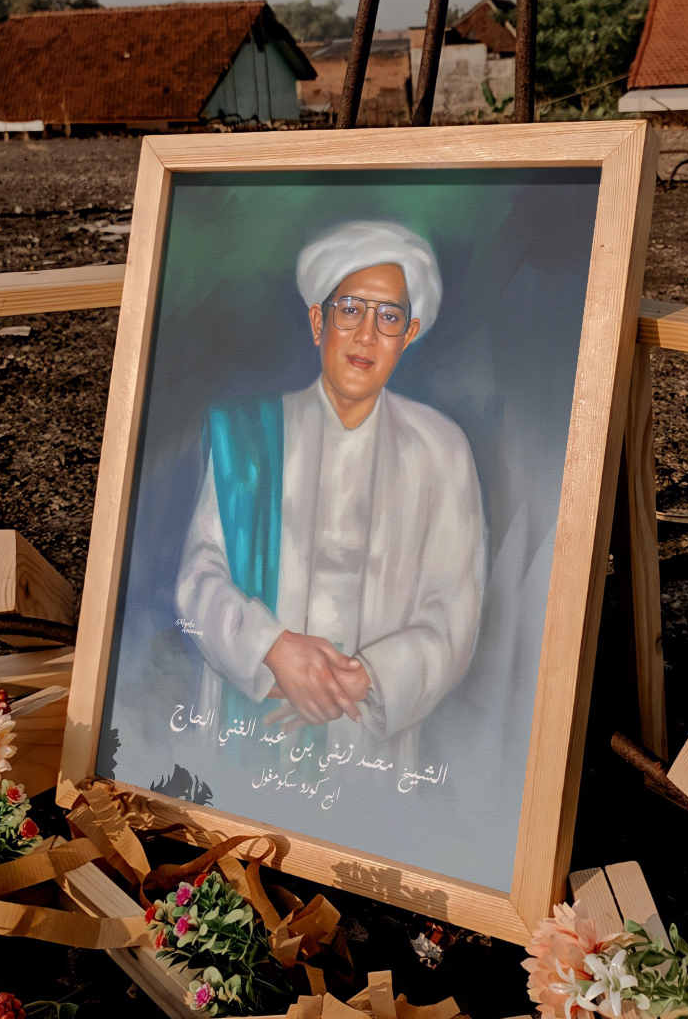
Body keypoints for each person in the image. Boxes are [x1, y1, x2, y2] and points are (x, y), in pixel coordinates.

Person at [176, 220, 486, 764]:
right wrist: (273, 649)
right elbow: (197, 585)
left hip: (364, 736)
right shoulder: (249, 440)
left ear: (408, 334)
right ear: (319, 321)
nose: (367, 335)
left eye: (388, 317)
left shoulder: (442, 450)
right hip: (251, 725)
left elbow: (454, 614)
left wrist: (358, 681)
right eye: (350, 309)